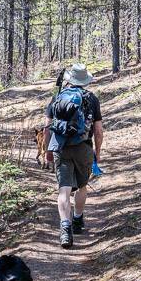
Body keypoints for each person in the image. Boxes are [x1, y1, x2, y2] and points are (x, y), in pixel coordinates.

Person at [44, 64, 103, 248]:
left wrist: (47, 152)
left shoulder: (57, 98)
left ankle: (65, 228)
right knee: (82, 186)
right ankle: (77, 219)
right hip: (83, 147)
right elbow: (98, 130)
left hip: (61, 147)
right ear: (85, 81)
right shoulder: (91, 99)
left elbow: (47, 129)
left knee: (64, 190)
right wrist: (97, 152)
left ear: (70, 80)